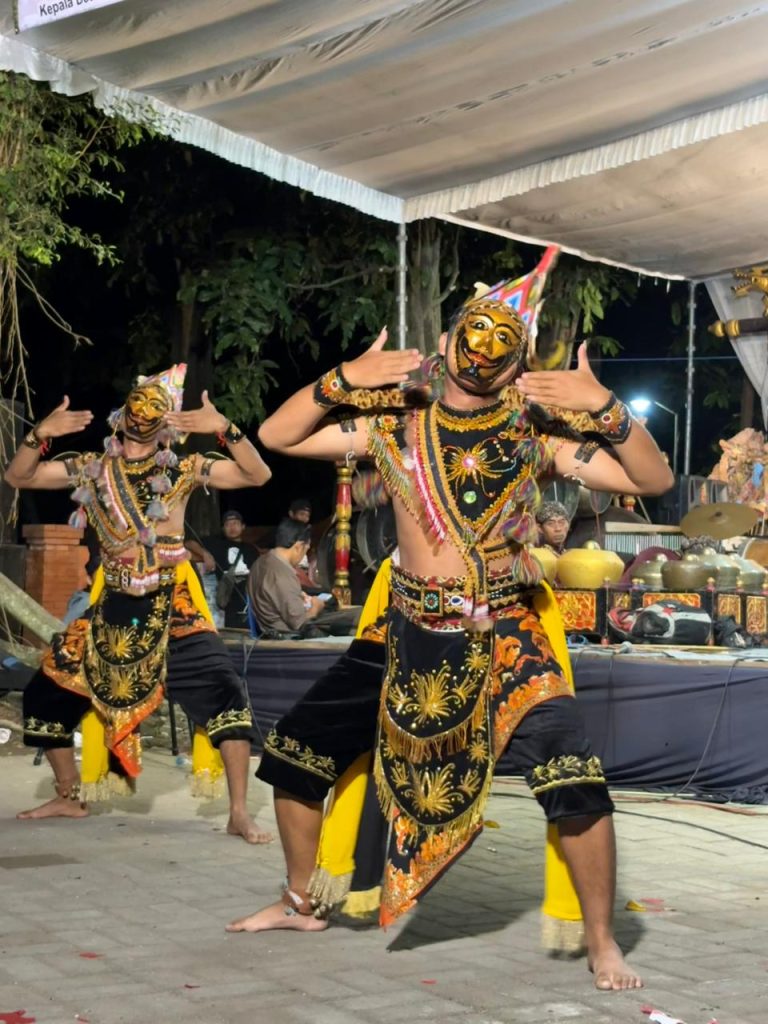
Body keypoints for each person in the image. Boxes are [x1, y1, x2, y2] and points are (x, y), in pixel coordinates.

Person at [227, 287, 674, 991]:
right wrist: (344, 380)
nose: (485, 352)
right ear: (444, 344)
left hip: (506, 631)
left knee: (576, 782)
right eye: (473, 334)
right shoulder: (394, 422)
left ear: (518, 360)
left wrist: (608, 410)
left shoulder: (536, 432)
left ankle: (601, 942)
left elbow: (653, 476)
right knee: (294, 755)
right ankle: (295, 900)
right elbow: (279, 437)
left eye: (504, 343)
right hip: (404, 628)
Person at [5, 365, 273, 843]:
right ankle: (69, 796)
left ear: (168, 422)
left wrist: (223, 428)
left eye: (155, 411)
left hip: (175, 602)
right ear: (120, 416)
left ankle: (238, 812)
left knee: (227, 696)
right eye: (137, 408)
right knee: (46, 691)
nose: (143, 419)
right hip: (112, 604)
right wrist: (39, 434)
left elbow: (257, 473)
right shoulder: (91, 467)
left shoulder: (185, 469)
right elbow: (18, 476)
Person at [248, 519, 359, 638]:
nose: (304, 556)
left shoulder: (260, 562)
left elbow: (276, 594)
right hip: (287, 635)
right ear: (298, 546)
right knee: (358, 616)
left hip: (272, 627)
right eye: (306, 550)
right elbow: (300, 623)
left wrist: (298, 595)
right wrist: (316, 606)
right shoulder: (282, 574)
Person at [186, 510, 259, 629]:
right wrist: (204, 553)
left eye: (235, 523)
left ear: (243, 527)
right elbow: (189, 543)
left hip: (248, 593)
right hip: (228, 593)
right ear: (223, 528)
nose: (232, 527)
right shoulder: (216, 544)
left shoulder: (251, 549)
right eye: (228, 524)